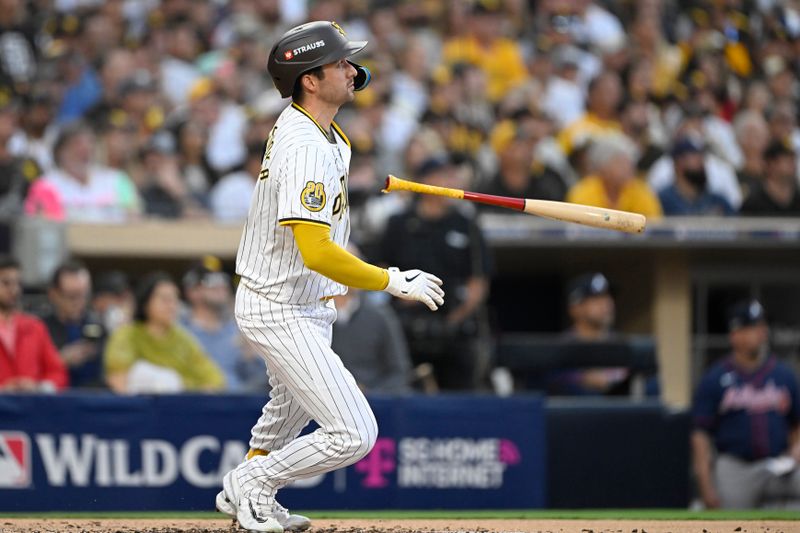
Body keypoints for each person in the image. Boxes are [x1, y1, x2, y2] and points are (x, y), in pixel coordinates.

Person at [215, 21, 444, 533]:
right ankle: (251, 486)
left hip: (305, 301)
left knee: (284, 414)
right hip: (279, 303)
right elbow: (316, 251)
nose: (351, 68)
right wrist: (390, 281)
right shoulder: (305, 146)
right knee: (355, 432)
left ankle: (253, 491)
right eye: (339, 62)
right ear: (310, 80)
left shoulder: (323, 131)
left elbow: (319, 214)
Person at [380, 156, 491, 391]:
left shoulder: (466, 225)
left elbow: (478, 281)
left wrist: (456, 318)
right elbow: (380, 266)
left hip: (453, 321)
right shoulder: (399, 223)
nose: (448, 182)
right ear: (423, 182)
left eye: (450, 176)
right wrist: (399, 295)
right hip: (406, 320)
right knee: (407, 388)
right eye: (441, 176)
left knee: (460, 391)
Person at [692, 299, 800, 509]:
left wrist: (797, 447)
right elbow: (700, 435)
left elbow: (797, 420)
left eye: (762, 326)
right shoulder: (715, 377)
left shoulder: (784, 375)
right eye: (753, 328)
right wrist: (705, 483)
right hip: (735, 467)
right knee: (726, 518)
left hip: (778, 465)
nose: (761, 333)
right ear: (735, 334)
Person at [103, 271, 225, 394]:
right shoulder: (126, 335)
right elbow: (118, 381)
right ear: (146, 302)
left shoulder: (184, 339)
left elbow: (215, 378)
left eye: (175, 299)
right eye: (165, 299)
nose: (171, 306)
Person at [331, 247, 413, 394]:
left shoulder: (380, 315)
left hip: (374, 402)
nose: (352, 272)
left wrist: (371, 392)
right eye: (345, 265)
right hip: (321, 401)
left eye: (358, 266)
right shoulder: (311, 314)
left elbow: (399, 371)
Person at [181, 258, 267, 393]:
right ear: (192, 291)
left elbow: (260, 380)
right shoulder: (180, 331)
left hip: (235, 406)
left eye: (223, 280)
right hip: (193, 405)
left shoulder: (239, 330)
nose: (221, 286)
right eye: (210, 282)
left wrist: (250, 355)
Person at [545, 272, 629, 396]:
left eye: (607, 297)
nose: (606, 303)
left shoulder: (624, 345)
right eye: (596, 298)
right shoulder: (560, 349)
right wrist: (581, 379)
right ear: (575, 309)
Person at [0, 255, 68, 392]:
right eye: (6, 283)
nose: (14, 289)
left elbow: (58, 373)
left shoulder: (35, 327)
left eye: (18, 283)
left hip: (31, 409)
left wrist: (39, 387)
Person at [41, 260, 106, 389]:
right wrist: (59, 360)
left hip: (93, 397)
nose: (79, 302)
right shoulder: (39, 328)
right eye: (71, 296)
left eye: (84, 295)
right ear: (53, 294)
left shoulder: (98, 325)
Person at [566, 134, 663, 218]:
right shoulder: (583, 192)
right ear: (602, 167)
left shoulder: (640, 190)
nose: (628, 168)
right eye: (620, 163)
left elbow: (652, 227)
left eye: (629, 163)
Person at [658, 136, 735, 216]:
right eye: (694, 157)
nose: (701, 162)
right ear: (678, 163)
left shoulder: (717, 201)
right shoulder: (663, 201)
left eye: (701, 157)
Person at [740, 140, 800, 216]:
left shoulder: (797, 197)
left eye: (793, 159)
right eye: (786, 159)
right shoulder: (754, 201)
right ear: (770, 165)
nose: (792, 164)